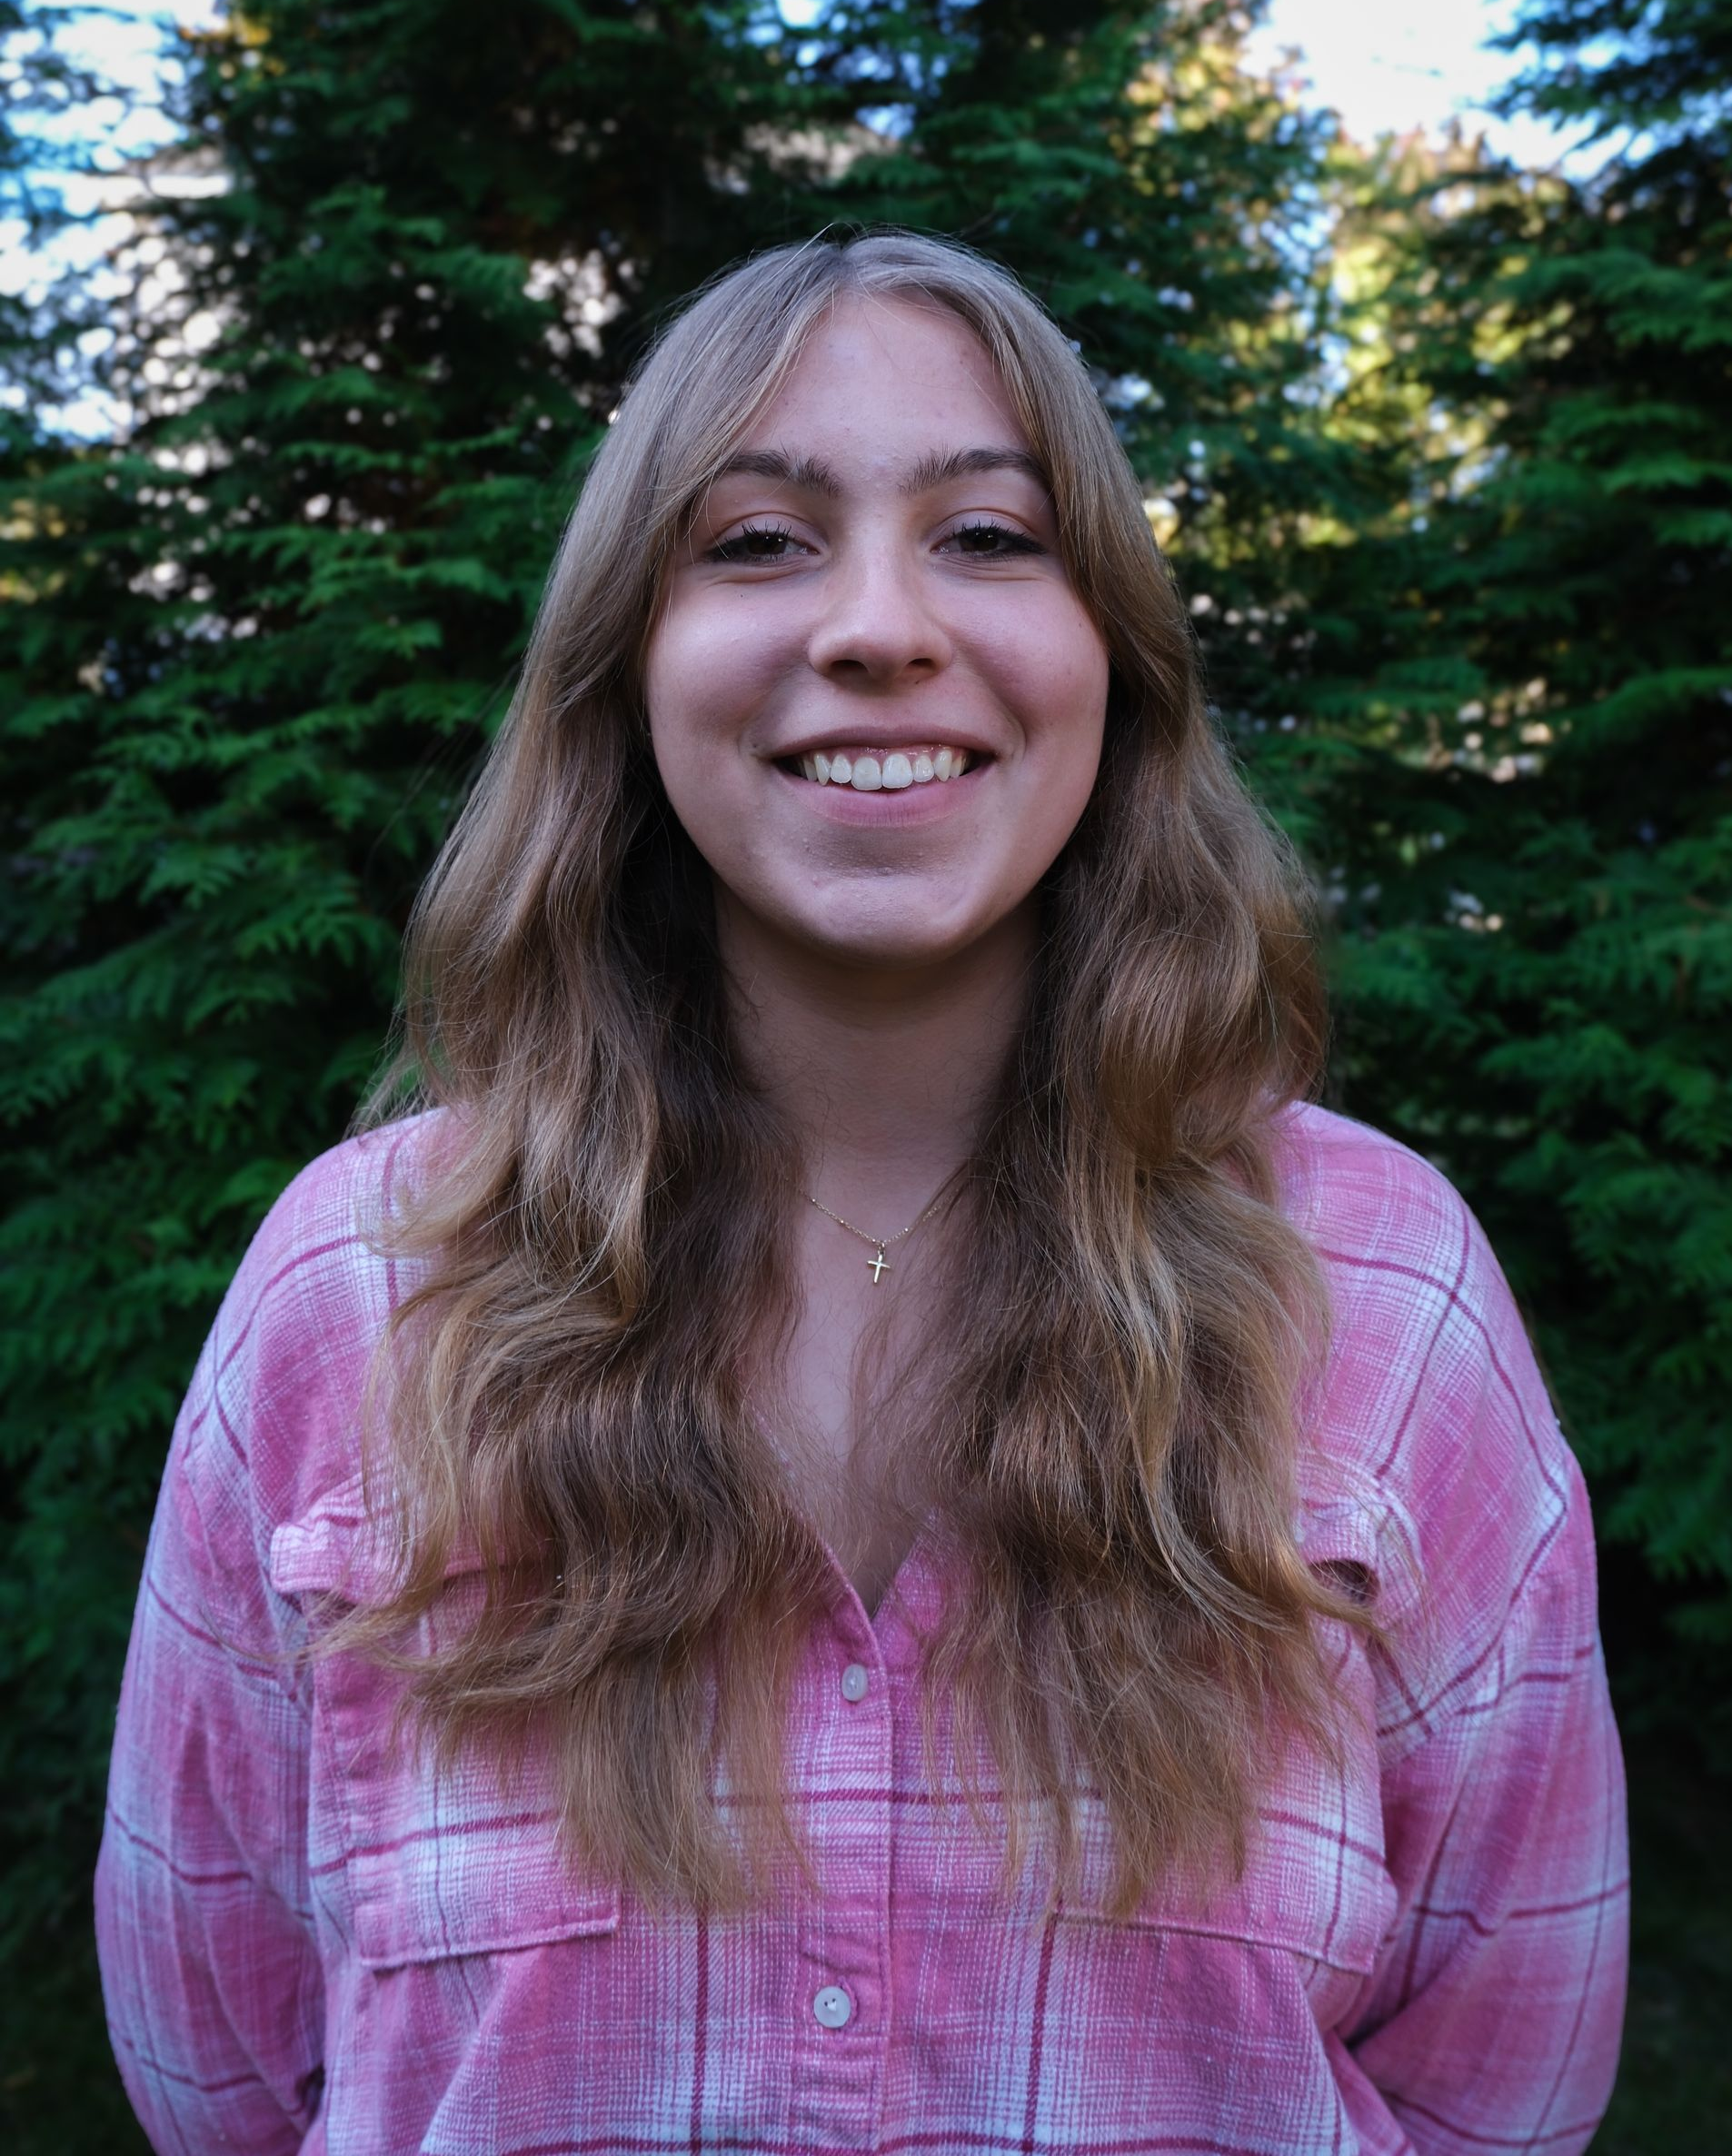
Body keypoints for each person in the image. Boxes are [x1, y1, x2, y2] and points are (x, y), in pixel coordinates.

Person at [95, 230, 1627, 2155]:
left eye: (990, 535)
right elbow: (225, 2075)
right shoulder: (355, 1290)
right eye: (755, 542)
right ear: (626, 662)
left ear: (1115, 658)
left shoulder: (1390, 1298)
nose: (880, 627)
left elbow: (1498, 2086)